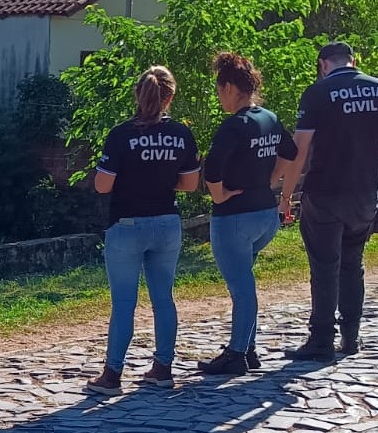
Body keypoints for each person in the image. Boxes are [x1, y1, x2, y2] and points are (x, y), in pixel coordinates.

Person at [87, 66, 201, 396]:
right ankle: (162, 368)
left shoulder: (121, 135)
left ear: (138, 95)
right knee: (163, 298)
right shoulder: (181, 134)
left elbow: (103, 185)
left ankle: (112, 375)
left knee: (124, 303)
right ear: (170, 97)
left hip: (127, 225)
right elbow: (191, 183)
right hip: (167, 222)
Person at [197, 53, 297, 375]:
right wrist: (271, 179)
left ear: (228, 87)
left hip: (234, 219)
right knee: (245, 282)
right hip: (265, 216)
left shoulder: (233, 126)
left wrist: (219, 195)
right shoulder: (268, 117)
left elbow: (210, 170)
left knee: (242, 289)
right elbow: (291, 152)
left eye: (218, 89)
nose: (217, 96)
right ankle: (248, 348)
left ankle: (237, 353)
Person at [281, 42, 378, 361]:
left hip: (325, 193)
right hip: (364, 194)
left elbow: (300, 149)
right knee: (353, 263)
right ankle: (351, 337)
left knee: (324, 266)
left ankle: (322, 339)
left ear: (324, 64)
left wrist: (286, 195)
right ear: (354, 60)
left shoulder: (318, 93)